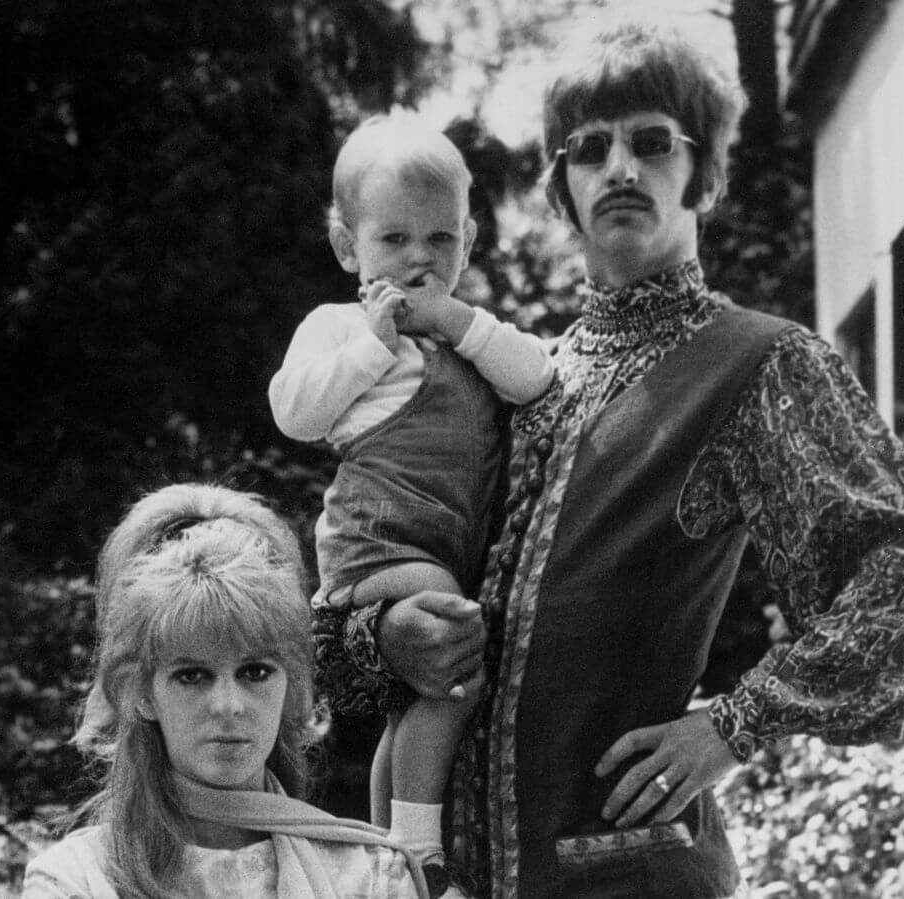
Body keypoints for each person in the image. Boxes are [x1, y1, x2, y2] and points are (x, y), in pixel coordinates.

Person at [312, 21, 904, 899]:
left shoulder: (757, 363)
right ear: (561, 190)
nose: (619, 167)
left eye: (652, 141)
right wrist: (392, 637)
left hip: (632, 872)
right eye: (589, 149)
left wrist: (733, 725)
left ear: (702, 173)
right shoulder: (506, 378)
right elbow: (364, 596)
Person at [269, 116, 553, 892]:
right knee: (459, 671)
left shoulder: (470, 337)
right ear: (347, 248)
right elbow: (294, 412)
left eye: (442, 239)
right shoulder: (338, 326)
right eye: (395, 239)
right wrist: (373, 341)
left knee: (414, 704)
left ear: (468, 241)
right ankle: (419, 853)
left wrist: (457, 322)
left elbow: (536, 379)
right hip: (378, 538)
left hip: (440, 546)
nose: (420, 259)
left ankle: (383, 863)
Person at [21, 483, 433, 899]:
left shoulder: (370, 877)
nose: (229, 706)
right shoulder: (77, 879)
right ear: (141, 692)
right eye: (192, 676)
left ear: (291, 683)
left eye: (254, 672)